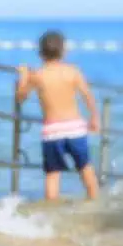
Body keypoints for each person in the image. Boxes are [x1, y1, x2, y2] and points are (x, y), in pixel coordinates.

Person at [16, 30, 101, 201]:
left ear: (40, 52)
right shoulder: (72, 71)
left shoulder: (38, 75)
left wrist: (24, 77)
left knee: (53, 175)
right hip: (75, 127)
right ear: (63, 51)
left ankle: (52, 211)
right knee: (86, 170)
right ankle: (95, 203)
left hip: (53, 130)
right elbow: (88, 96)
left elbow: (20, 97)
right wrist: (94, 117)